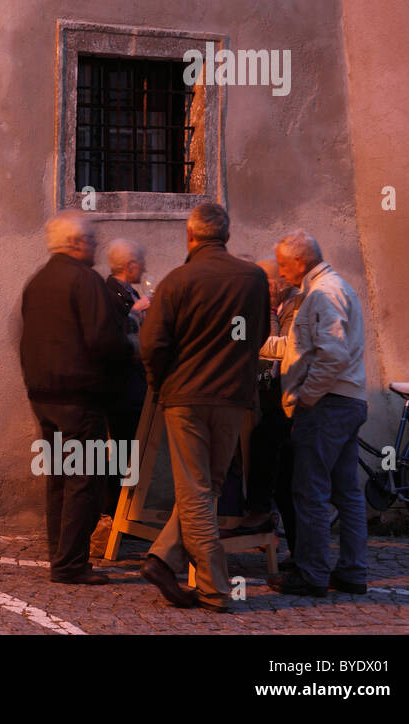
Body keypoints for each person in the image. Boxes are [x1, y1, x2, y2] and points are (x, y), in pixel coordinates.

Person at [137, 204, 270, 612]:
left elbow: (152, 343)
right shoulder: (254, 278)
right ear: (226, 236)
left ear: (190, 237)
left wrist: (160, 385)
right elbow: (259, 334)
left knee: (196, 490)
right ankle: (164, 560)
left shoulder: (178, 280)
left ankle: (210, 587)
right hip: (232, 396)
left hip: (186, 396)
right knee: (207, 487)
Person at [19, 210, 129, 584]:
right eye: (93, 239)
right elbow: (104, 341)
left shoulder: (38, 282)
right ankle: (71, 563)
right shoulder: (85, 281)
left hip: (44, 396)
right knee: (85, 477)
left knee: (59, 477)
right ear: (77, 243)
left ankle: (59, 555)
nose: (96, 246)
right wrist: (129, 352)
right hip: (79, 399)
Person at [265, 231, 370, 597]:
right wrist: (250, 344)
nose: (279, 271)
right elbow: (299, 346)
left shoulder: (324, 292)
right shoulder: (326, 289)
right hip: (344, 401)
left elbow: (332, 354)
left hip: (328, 404)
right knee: (346, 492)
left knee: (310, 490)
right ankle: (352, 572)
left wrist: (307, 396)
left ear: (299, 261)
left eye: (282, 263)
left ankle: (311, 575)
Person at [240, 259, 300, 560]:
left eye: (263, 285)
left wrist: (252, 343)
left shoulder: (294, 306)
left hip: (296, 401)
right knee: (285, 479)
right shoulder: (281, 307)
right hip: (286, 399)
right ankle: (298, 553)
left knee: (272, 452)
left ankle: (261, 515)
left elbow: (286, 349)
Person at [104, 239, 151, 514]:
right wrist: (135, 313)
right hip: (123, 387)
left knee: (133, 449)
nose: (144, 267)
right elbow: (116, 332)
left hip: (135, 383)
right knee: (123, 449)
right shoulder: (111, 293)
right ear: (129, 265)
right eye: (141, 262)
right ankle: (113, 512)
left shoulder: (129, 292)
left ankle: (127, 512)